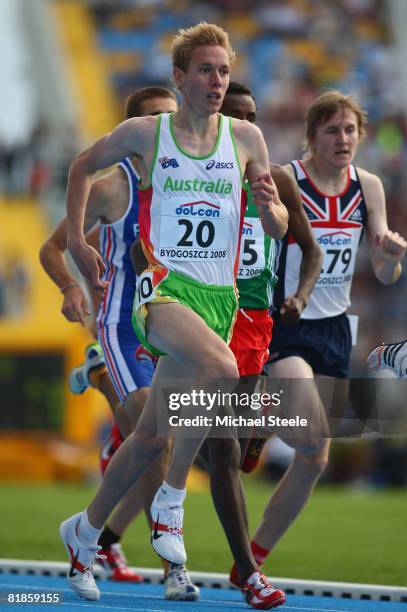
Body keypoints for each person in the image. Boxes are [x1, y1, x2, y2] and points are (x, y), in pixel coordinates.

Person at [60, 22, 288, 608]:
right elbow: (82, 165)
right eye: (207, 71)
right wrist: (81, 247)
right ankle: (172, 497)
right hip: (163, 290)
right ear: (180, 78)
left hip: (220, 298)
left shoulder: (246, 141)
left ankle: (84, 534)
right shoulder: (145, 133)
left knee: (149, 435)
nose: (217, 81)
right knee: (221, 369)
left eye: (225, 71)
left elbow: (276, 229)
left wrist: (272, 213)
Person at [228, 90, 407, 582]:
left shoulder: (368, 186)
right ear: (312, 137)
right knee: (309, 429)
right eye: (332, 130)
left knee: (315, 455)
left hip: (335, 328)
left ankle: (252, 560)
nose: (343, 139)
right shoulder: (288, 179)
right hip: (287, 319)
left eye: (350, 130)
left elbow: (386, 274)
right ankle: (263, 411)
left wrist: (392, 255)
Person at [40, 87, 201, 601]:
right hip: (124, 325)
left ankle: (87, 534)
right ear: (132, 133)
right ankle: (173, 569)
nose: (164, 128)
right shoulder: (114, 189)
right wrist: (70, 285)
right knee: (158, 438)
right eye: (153, 120)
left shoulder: (195, 183)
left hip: (178, 326)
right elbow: (51, 248)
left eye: (170, 119)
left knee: (154, 441)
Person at [197, 81, 321, 589]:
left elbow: (310, 251)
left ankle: (255, 424)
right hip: (200, 315)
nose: (246, 125)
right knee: (215, 447)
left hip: (253, 320)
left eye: (252, 116)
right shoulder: (193, 174)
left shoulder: (275, 180)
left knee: (225, 445)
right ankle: (248, 572)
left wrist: (300, 297)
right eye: (235, 116)